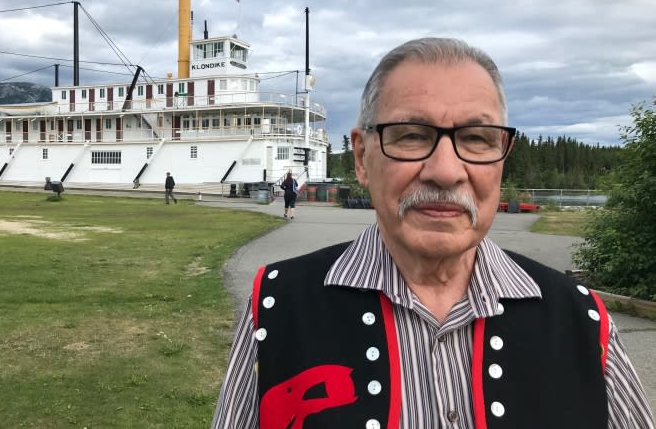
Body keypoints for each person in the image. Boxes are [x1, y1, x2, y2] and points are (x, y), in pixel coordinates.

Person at [211, 38, 654, 428]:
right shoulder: (277, 306)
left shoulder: (582, 320)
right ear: (363, 159)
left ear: (502, 158)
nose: (445, 172)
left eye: (477, 139)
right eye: (411, 136)